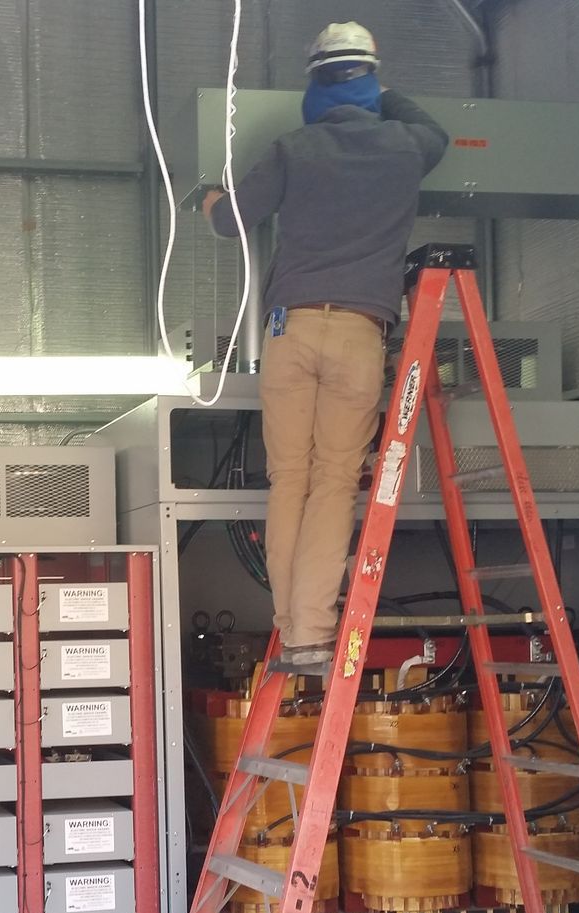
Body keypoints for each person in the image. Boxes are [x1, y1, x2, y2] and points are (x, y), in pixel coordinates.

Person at [200, 22, 449, 675]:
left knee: (290, 482)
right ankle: (312, 631)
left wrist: (208, 199)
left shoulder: (294, 148)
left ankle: (289, 625)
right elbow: (436, 131)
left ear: (315, 85)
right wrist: (385, 93)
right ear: (369, 78)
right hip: (361, 336)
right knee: (336, 482)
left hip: (291, 331)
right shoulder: (405, 146)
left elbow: (228, 221)